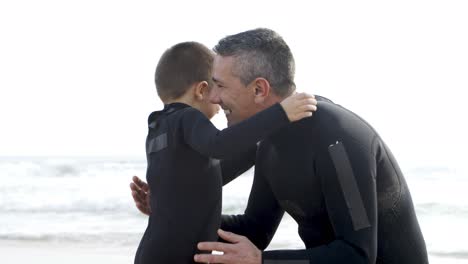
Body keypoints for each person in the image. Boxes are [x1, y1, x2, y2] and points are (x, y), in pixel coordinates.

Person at [131, 29, 429, 264]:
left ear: (259, 89)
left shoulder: (338, 139)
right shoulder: (269, 142)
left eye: (220, 86)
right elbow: (254, 230)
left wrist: (262, 261)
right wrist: (174, 212)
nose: (212, 99)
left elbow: (359, 255)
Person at [133, 41, 317, 264]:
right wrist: (281, 113)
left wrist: (257, 151)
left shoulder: (157, 129)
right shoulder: (188, 118)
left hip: (153, 251)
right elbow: (220, 144)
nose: (217, 102)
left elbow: (204, 177)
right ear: (201, 90)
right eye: (216, 87)